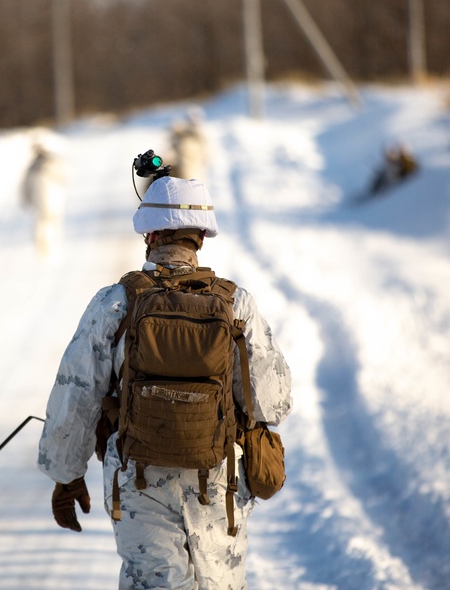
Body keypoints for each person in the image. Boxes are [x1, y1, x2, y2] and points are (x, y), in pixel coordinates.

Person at [37, 175, 292, 589]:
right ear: (201, 240)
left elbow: (75, 396)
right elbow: (272, 403)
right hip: (217, 484)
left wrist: (66, 476)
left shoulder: (115, 303)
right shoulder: (236, 304)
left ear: (149, 235)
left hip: (140, 483)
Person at [21, 136, 67, 256]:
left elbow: (25, 185)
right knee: (49, 221)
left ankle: (47, 246)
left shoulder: (39, 166)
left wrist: (26, 199)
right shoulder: (46, 164)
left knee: (45, 221)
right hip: (50, 199)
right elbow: (64, 177)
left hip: (47, 199)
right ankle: (45, 246)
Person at [168, 107, 210, 182]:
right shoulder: (181, 135)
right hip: (182, 169)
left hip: (194, 171)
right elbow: (171, 150)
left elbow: (206, 156)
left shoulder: (201, 138)